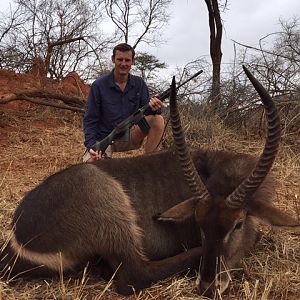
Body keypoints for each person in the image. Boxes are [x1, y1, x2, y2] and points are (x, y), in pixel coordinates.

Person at [83, 43, 165, 162]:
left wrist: (155, 107)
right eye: (120, 59)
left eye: (127, 60)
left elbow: (147, 111)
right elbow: (90, 120)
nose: (123, 64)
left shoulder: (139, 83)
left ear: (132, 62)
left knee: (158, 120)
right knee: (93, 166)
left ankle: (150, 163)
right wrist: (91, 146)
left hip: (130, 136)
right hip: (104, 138)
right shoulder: (98, 85)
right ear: (113, 59)